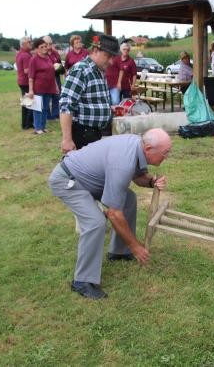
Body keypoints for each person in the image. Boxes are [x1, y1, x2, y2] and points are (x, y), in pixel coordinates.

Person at [48, 128, 171, 300]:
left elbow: (138, 177)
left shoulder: (137, 147)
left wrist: (151, 181)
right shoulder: (123, 162)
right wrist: (135, 247)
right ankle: (82, 281)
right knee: (96, 222)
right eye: (165, 153)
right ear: (149, 149)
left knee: (128, 198)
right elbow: (114, 214)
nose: (167, 156)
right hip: (69, 181)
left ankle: (119, 252)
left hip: (90, 180)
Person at [59, 34, 119, 153]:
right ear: (96, 50)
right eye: (109, 56)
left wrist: (108, 108)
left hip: (94, 134)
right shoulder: (81, 70)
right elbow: (66, 104)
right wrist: (67, 139)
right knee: (82, 170)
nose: (111, 61)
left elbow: (91, 100)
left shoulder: (99, 70)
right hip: (82, 134)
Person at [27, 38, 59, 134]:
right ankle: (38, 128)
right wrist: (31, 90)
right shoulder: (34, 59)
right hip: (38, 88)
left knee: (45, 108)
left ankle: (43, 127)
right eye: (42, 47)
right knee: (38, 108)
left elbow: (52, 73)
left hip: (49, 87)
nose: (45, 48)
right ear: (37, 49)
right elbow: (31, 77)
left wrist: (56, 86)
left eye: (45, 46)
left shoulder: (48, 58)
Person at [15, 36, 34, 130]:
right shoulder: (26, 55)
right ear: (23, 44)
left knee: (26, 103)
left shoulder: (20, 53)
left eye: (30, 41)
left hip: (21, 80)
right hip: (26, 81)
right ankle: (26, 124)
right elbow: (27, 70)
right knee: (28, 103)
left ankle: (26, 123)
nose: (31, 43)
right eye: (29, 42)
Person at [43, 36, 64, 120]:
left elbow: (60, 64)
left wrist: (59, 68)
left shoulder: (55, 53)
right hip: (46, 78)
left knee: (57, 96)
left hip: (56, 77)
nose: (48, 46)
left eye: (50, 44)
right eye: (46, 44)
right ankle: (48, 116)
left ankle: (56, 114)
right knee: (47, 97)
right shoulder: (42, 53)